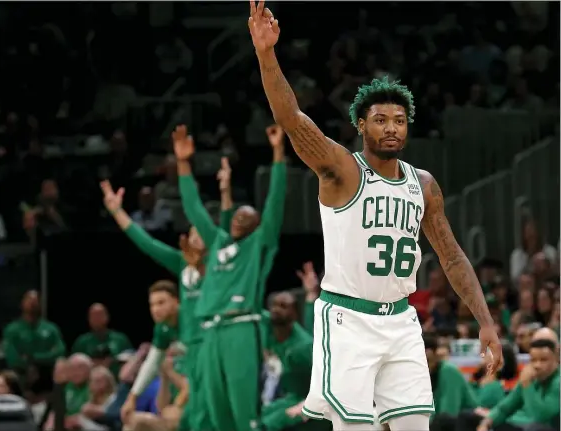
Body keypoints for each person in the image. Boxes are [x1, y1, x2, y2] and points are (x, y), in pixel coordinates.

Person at [248, 2, 503, 430]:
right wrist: (266, 54)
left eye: (399, 120)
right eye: (380, 119)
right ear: (361, 125)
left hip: (401, 320)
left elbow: (453, 256)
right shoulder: (343, 169)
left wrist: (486, 322)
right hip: (349, 319)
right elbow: (291, 119)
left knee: (414, 425)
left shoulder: (423, 184)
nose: (391, 127)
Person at [101, 155, 234, 431]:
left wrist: (225, 193)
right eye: (192, 233)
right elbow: (146, 243)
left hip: (214, 344)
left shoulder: (220, 263)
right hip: (191, 349)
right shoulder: (181, 263)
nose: (194, 236)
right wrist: (117, 212)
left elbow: (221, 227)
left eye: (200, 233)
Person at [174, 123, 287, 431]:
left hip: (240, 327)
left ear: (257, 225)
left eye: (246, 217)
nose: (238, 218)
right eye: (236, 215)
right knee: (217, 414)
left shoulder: (258, 245)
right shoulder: (219, 243)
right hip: (210, 330)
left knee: (243, 415)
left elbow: (275, 202)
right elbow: (195, 210)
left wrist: (278, 154)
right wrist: (183, 164)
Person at [119, 281, 182, 425]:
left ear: (176, 301)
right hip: (178, 402)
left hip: (200, 397)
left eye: (161, 303)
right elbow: (151, 363)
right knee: (134, 423)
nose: (155, 309)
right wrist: (132, 398)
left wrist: (178, 404)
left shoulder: (190, 323)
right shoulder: (162, 329)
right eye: (152, 305)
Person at [261, 292, 319, 431]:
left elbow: (327, 380)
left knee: (268, 424)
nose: (276, 309)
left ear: (294, 314)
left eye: (283, 306)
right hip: (287, 394)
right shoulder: (267, 327)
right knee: (255, 417)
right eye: (273, 305)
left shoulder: (303, 347)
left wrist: (306, 404)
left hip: (307, 399)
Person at [477, 339, 560, 431]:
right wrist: (485, 424)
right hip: (529, 425)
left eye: (543, 360)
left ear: (556, 359)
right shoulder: (531, 378)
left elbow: (541, 416)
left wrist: (527, 385)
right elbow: (505, 408)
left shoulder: (557, 382)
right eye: (533, 360)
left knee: (535, 428)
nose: (537, 365)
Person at [72, 303, 132, 376]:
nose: (97, 319)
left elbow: (131, 361)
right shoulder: (81, 342)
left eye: (100, 315)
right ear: (88, 319)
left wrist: (112, 361)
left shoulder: (121, 340)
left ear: (107, 317)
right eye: (93, 316)